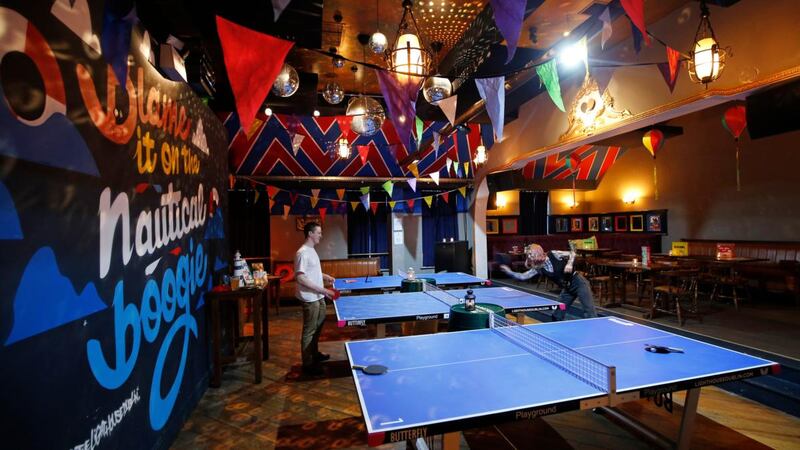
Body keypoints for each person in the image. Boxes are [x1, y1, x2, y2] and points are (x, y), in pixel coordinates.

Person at [500, 244, 597, 320]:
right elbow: (523, 276)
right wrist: (509, 272)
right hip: (567, 288)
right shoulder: (539, 268)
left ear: (540, 253)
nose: (532, 259)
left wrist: (570, 263)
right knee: (556, 315)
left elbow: (572, 253)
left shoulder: (554, 254)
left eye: (533, 255)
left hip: (579, 283)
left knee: (590, 313)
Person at [294, 221, 336, 375]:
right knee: (309, 331)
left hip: (318, 297)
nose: (321, 235)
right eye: (318, 232)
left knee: (317, 329)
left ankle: (315, 354)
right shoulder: (302, 253)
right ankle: (307, 364)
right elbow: (301, 278)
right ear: (310, 234)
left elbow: (312, 273)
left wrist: (326, 277)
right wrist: (325, 290)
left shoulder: (311, 250)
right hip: (310, 299)